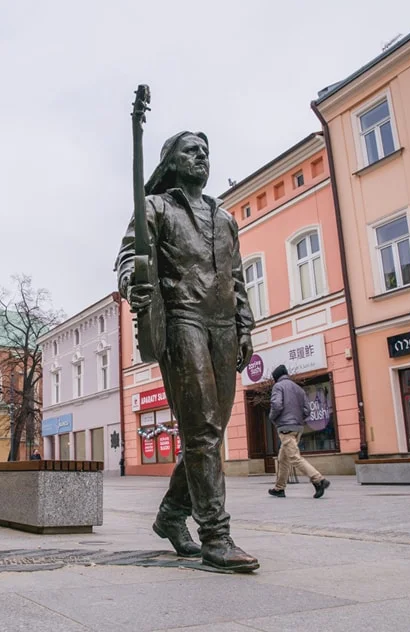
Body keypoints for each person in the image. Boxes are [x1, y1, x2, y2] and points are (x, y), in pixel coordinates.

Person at [117, 131, 258, 572]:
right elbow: (128, 259)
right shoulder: (156, 208)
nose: (201, 156)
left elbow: (236, 277)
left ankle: (170, 516)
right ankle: (216, 536)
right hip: (182, 321)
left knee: (210, 432)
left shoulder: (224, 217)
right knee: (201, 431)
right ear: (171, 163)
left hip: (223, 327)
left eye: (205, 151)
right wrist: (133, 284)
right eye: (191, 151)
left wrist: (244, 324)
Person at [267, 364, 330, 499]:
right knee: (283, 458)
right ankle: (279, 488)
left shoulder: (278, 387)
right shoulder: (299, 389)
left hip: (286, 428)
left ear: (276, 378)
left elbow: (277, 405)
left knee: (294, 457)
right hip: (298, 428)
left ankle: (318, 479)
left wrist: (272, 418)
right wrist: (298, 419)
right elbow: (307, 410)